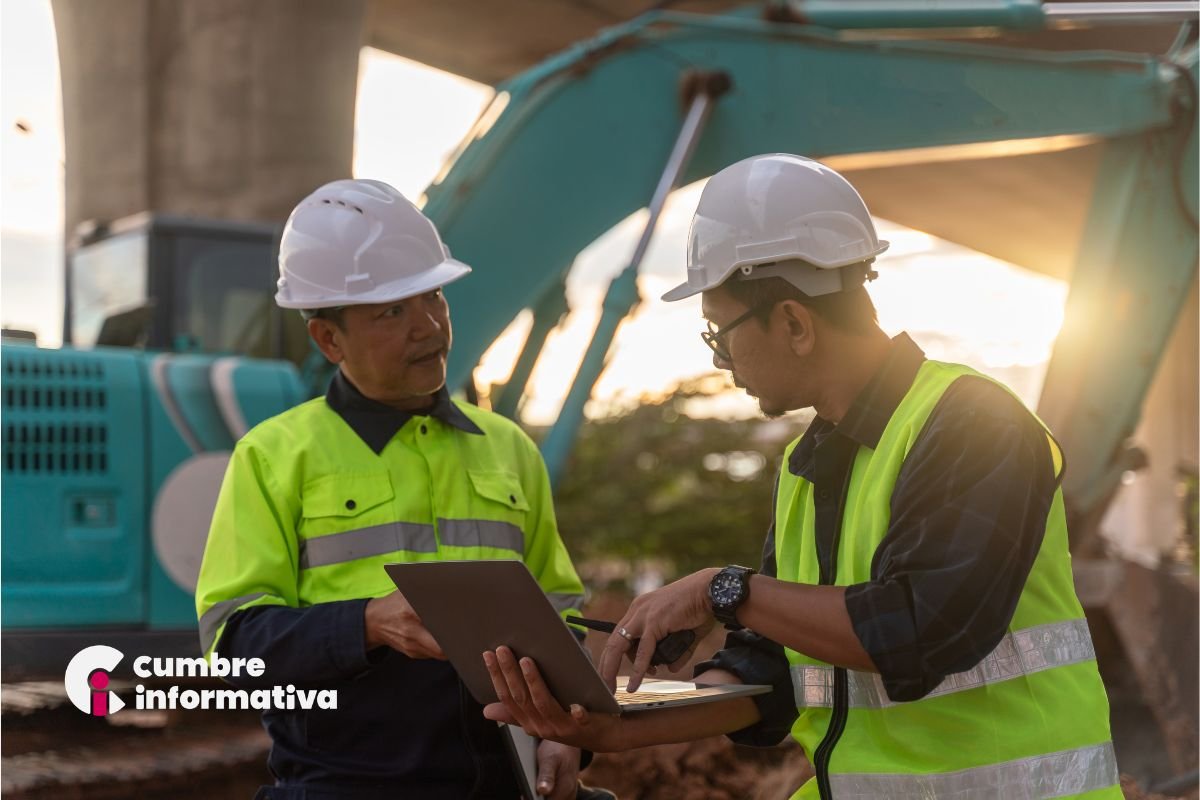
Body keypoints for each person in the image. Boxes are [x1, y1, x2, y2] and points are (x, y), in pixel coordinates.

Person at [480, 154, 1121, 799]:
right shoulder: (808, 463)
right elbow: (773, 668)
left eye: (720, 335)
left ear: (794, 323)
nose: (722, 360)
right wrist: (613, 726)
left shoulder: (976, 426)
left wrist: (721, 590)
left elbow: (918, 631)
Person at [195, 179, 593, 800]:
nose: (428, 325)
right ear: (329, 340)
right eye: (391, 311)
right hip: (340, 787)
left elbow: (562, 617)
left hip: (503, 784)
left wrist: (570, 732)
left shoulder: (510, 448)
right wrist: (366, 625)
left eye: (433, 296)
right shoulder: (274, 456)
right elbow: (234, 649)